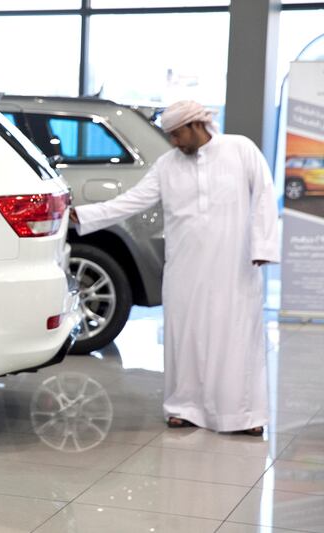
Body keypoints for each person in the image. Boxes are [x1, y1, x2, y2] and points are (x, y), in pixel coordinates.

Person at [69, 100, 280, 436]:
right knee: (187, 337)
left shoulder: (241, 150)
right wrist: (86, 215)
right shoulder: (168, 165)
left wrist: (263, 245)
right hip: (185, 266)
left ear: (197, 125)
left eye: (177, 134)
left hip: (235, 265)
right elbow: (134, 200)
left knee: (236, 337)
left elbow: (264, 196)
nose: (174, 142)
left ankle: (243, 415)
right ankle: (184, 408)